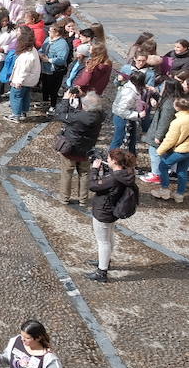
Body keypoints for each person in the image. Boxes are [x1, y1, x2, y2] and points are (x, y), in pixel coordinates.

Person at [86, 148, 137, 283]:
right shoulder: (125, 173)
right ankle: (105, 260)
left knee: (103, 241)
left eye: (108, 158)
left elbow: (93, 185)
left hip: (104, 211)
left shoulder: (114, 178)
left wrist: (95, 170)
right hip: (112, 210)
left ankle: (102, 271)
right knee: (108, 236)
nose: (107, 160)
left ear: (115, 161)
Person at [50, 87, 103, 205]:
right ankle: (83, 199)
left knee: (67, 172)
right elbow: (89, 107)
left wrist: (65, 100)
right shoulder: (99, 116)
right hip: (87, 149)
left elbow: (59, 114)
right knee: (84, 173)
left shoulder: (78, 117)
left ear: (84, 106)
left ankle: (64, 198)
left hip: (71, 149)